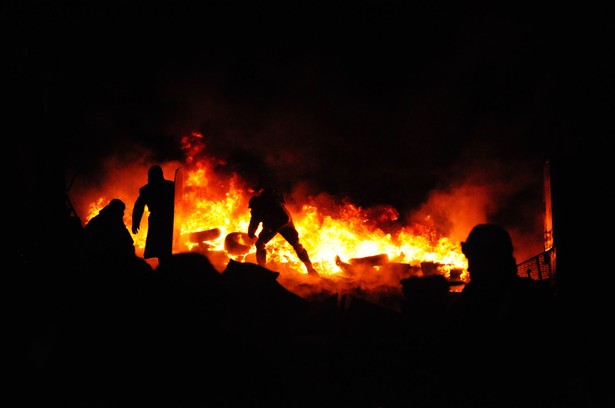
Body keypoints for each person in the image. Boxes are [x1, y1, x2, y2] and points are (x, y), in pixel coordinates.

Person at [247, 187, 319, 276]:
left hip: (282, 224)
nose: (251, 210)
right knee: (261, 244)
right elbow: (254, 222)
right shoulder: (263, 207)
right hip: (278, 224)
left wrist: (271, 229)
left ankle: (310, 269)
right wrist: (251, 232)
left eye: (252, 209)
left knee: (295, 245)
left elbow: (284, 219)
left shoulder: (268, 205)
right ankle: (262, 269)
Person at [132, 165, 175, 265]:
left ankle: (166, 269)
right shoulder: (170, 186)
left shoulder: (147, 189)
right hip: (164, 220)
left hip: (164, 221)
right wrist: (135, 222)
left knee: (165, 249)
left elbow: (139, 207)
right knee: (164, 249)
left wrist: (135, 223)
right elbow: (139, 207)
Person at [81, 198, 136, 264]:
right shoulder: (110, 220)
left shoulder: (107, 218)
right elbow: (125, 238)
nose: (122, 213)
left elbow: (126, 237)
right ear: (116, 210)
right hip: (98, 252)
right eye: (121, 211)